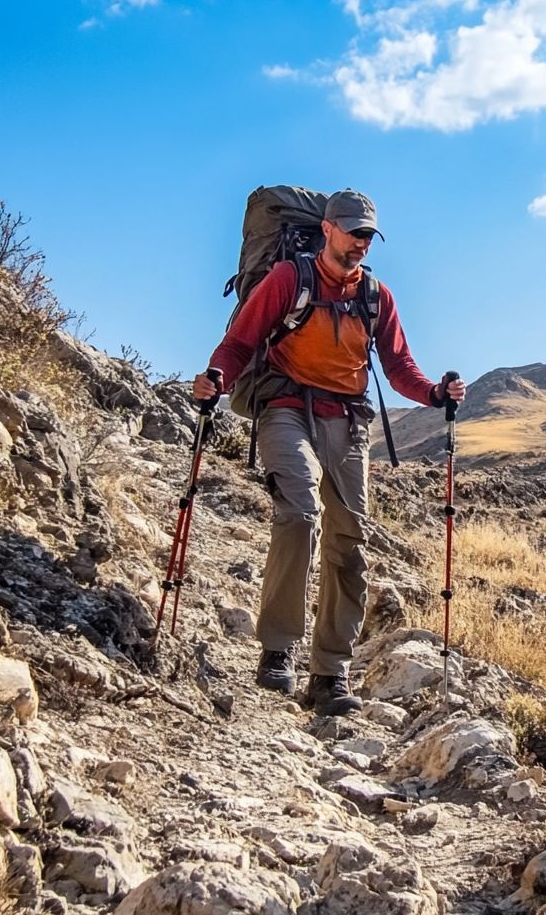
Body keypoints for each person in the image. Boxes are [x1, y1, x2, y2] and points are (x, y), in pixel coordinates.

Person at [192, 188, 465, 715]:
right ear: (327, 230)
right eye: (353, 231)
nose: (361, 242)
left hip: (346, 419)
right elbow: (241, 341)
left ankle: (329, 672)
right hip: (287, 405)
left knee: (351, 540)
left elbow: (399, 366)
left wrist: (434, 393)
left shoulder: (376, 296)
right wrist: (216, 378)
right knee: (298, 513)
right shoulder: (288, 279)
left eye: (368, 235)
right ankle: (277, 649)